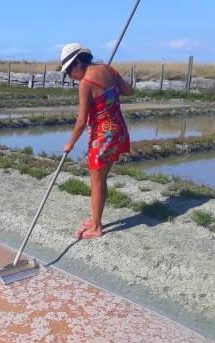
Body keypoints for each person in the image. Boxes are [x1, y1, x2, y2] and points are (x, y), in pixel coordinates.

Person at [61, 43, 134, 239]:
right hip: (118, 130)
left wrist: (71, 144)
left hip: (103, 136)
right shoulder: (109, 70)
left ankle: (96, 228)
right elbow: (129, 91)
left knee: (97, 182)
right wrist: (109, 84)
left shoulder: (85, 83)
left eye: (69, 70)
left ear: (78, 62)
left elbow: (81, 120)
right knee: (99, 181)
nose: (70, 76)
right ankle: (95, 220)